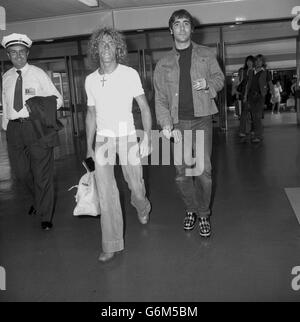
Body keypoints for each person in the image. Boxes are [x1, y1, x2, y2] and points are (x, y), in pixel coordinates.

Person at [154, 9, 224, 237]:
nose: (182, 28)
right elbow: (160, 98)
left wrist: (208, 85)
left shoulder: (206, 53)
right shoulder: (163, 63)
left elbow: (220, 79)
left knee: (203, 171)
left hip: (202, 120)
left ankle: (204, 213)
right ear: (171, 30)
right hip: (177, 125)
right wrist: (165, 124)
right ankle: (191, 210)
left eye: (186, 23)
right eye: (177, 24)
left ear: (192, 28)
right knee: (182, 173)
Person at [85, 27, 152, 262]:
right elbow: (91, 115)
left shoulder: (129, 74)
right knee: (106, 192)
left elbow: (144, 107)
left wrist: (147, 138)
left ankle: (142, 206)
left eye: (110, 43)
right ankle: (111, 243)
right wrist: (88, 147)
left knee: (136, 185)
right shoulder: (90, 80)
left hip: (127, 137)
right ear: (96, 49)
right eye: (101, 44)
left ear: (117, 48)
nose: (106, 47)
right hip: (103, 140)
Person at [1, 33, 63, 230]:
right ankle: (38, 200)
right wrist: (6, 126)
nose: (18, 56)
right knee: (21, 173)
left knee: (42, 173)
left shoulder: (38, 74)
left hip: (36, 127)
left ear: (27, 53)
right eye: (13, 52)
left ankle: (45, 215)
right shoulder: (6, 77)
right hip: (14, 129)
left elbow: (58, 99)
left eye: (21, 52)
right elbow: (5, 104)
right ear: (7, 54)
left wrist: (37, 105)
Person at [244, 54, 271, 143]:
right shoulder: (251, 71)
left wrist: (274, 95)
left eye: (260, 60)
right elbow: (248, 84)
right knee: (254, 117)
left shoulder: (266, 72)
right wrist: (245, 95)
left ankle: (258, 136)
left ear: (263, 62)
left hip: (260, 96)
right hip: (251, 96)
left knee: (257, 116)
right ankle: (258, 134)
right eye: (256, 60)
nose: (258, 62)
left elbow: (270, 84)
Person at [238, 55, 255, 138]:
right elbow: (243, 82)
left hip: (253, 94)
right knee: (244, 113)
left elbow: (250, 83)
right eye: (247, 61)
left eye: (250, 61)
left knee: (253, 113)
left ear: (253, 62)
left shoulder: (255, 71)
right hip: (245, 93)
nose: (249, 62)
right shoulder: (244, 71)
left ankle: (253, 130)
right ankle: (242, 131)